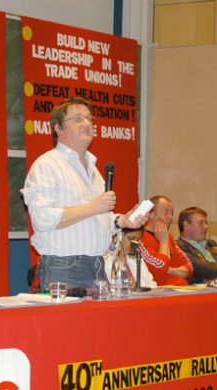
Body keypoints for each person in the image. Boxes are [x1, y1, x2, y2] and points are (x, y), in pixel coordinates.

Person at [21, 97, 147, 289]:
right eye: (78, 119)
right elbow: (42, 218)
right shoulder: (47, 165)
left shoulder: (92, 168)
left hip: (98, 265)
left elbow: (97, 218)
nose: (87, 123)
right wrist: (91, 207)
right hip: (64, 268)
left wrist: (121, 221)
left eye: (90, 119)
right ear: (59, 128)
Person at [138, 195, 193, 286]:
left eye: (172, 213)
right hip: (160, 294)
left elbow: (189, 268)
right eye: (166, 212)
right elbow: (159, 270)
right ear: (151, 214)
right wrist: (163, 242)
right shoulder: (140, 238)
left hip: (181, 290)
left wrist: (169, 270)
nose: (170, 217)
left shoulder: (169, 237)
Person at [176, 207, 217, 284]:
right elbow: (203, 269)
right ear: (186, 225)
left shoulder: (211, 243)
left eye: (206, 223)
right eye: (201, 223)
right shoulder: (178, 246)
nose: (206, 227)